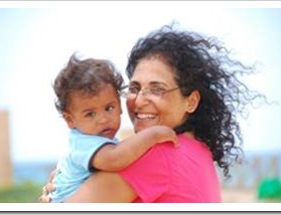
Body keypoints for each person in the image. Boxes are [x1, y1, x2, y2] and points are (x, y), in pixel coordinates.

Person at [40, 24, 264, 203]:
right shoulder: (199, 150)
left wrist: (47, 202)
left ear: (191, 101)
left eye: (157, 89)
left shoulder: (158, 154)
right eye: (135, 88)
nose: (139, 100)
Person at [47, 54, 178, 203]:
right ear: (70, 120)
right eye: (90, 114)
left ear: (119, 105)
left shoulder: (100, 140)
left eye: (109, 108)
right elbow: (115, 159)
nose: (103, 119)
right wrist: (153, 135)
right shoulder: (83, 142)